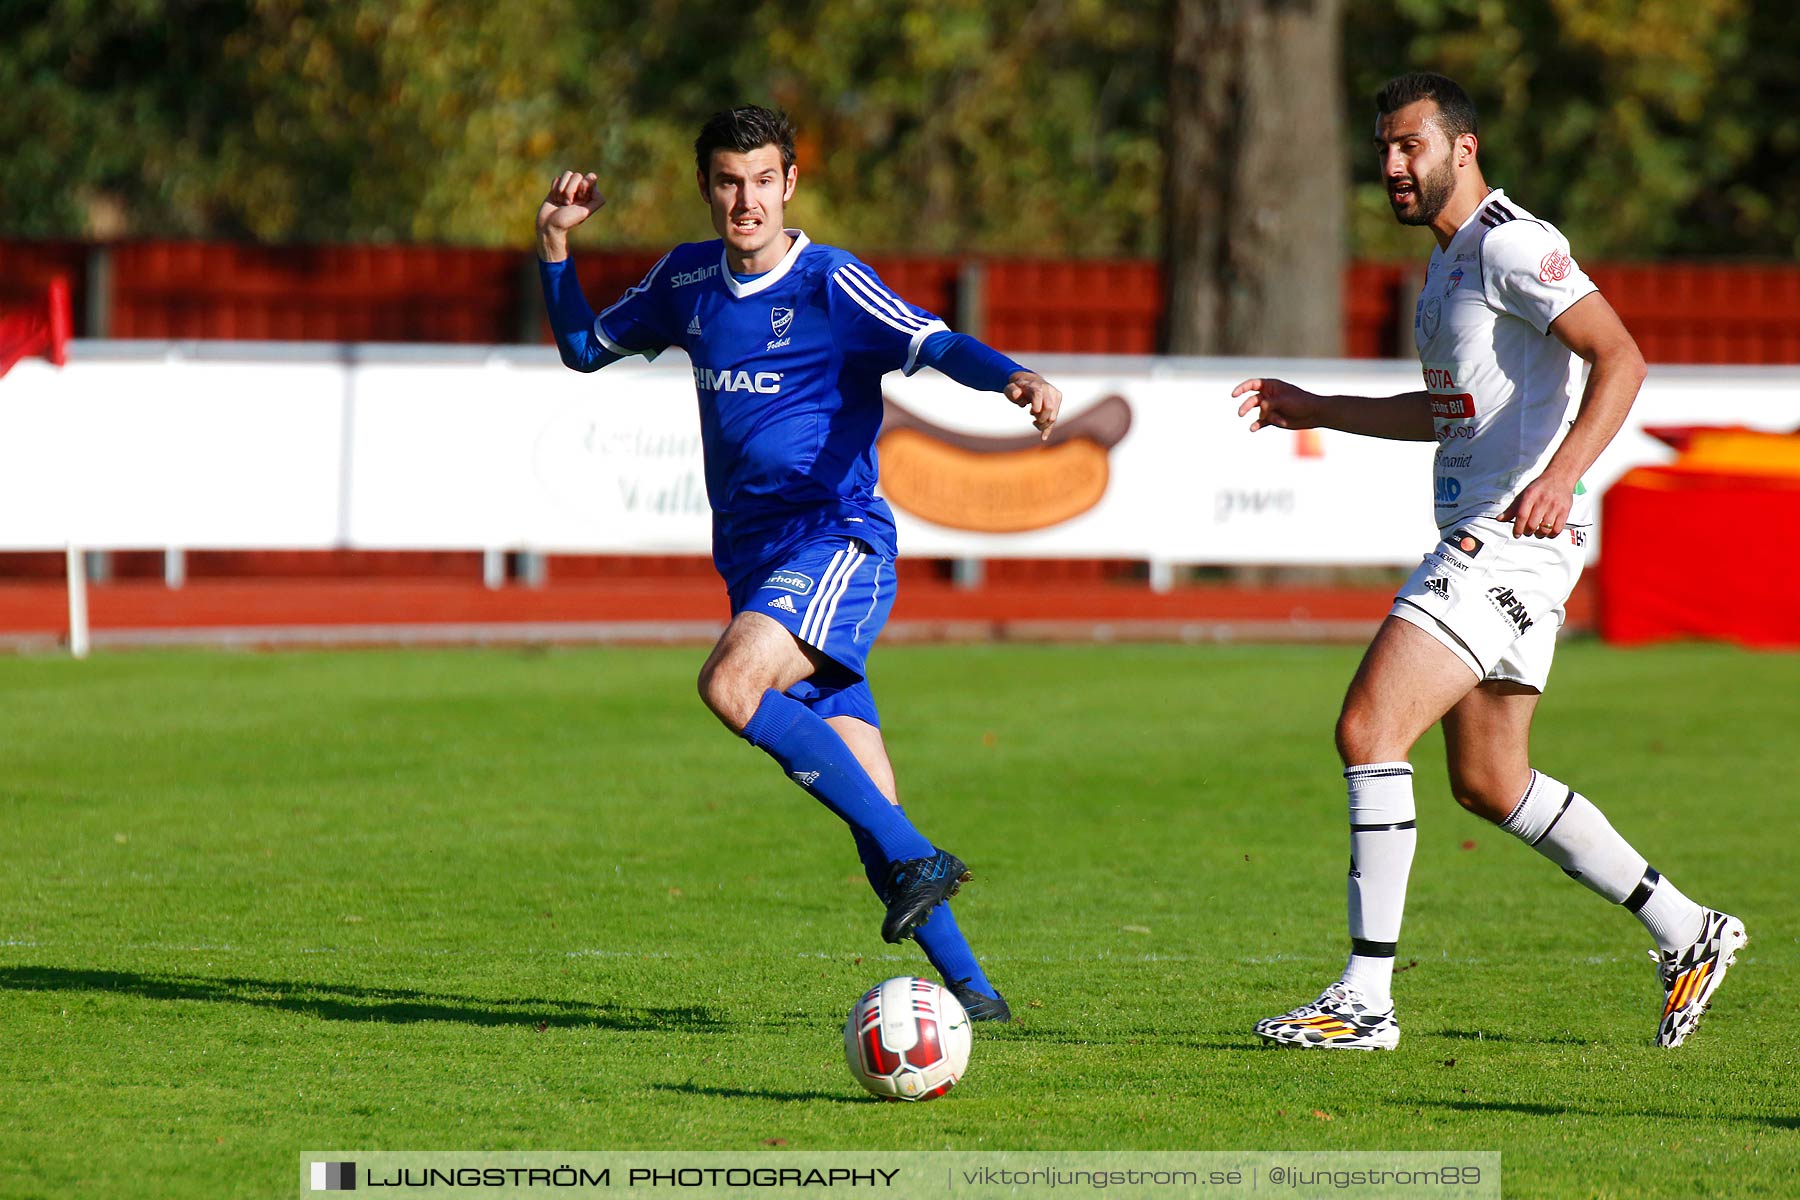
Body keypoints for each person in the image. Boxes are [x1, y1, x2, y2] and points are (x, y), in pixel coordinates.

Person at [1231, 72, 1745, 1050]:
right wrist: (1320, 408)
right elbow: (1446, 413)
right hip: (1498, 539)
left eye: (1410, 146)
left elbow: (1621, 355)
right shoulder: (1445, 270)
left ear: (1462, 149)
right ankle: (1690, 929)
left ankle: (1366, 998)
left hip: (1511, 539)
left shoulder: (1514, 243)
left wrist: (1564, 477)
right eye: (1383, 148)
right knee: (1490, 780)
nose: (1391, 165)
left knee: (1368, 725)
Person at [535, 105, 1063, 1022]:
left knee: (731, 685)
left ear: (790, 186)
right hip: (753, 565)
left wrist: (1010, 375)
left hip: (837, 541)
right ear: (707, 186)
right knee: (870, 809)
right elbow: (586, 349)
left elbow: (932, 340)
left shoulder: (831, 283)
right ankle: (977, 998)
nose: (747, 200)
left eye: (764, 180)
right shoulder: (688, 280)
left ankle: (925, 860)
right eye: (729, 182)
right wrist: (554, 249)